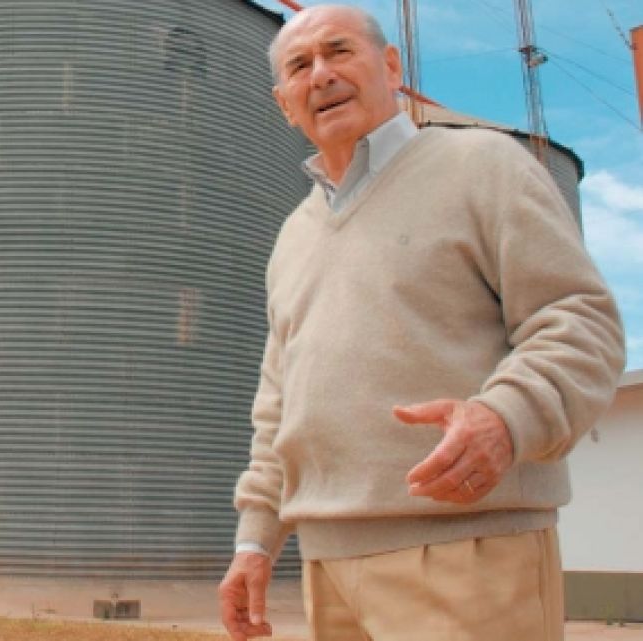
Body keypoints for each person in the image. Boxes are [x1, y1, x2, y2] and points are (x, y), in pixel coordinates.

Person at [217, 5, 625, 641]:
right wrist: (255, 539)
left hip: (468, 549)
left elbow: (579, 318)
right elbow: (277, 405)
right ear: (284, 105)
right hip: (326, 565)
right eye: (300, 66)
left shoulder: (484, 167)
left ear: (391, 66)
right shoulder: (293, 237)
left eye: (339, 51)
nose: (320, 74)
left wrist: (507, 417)